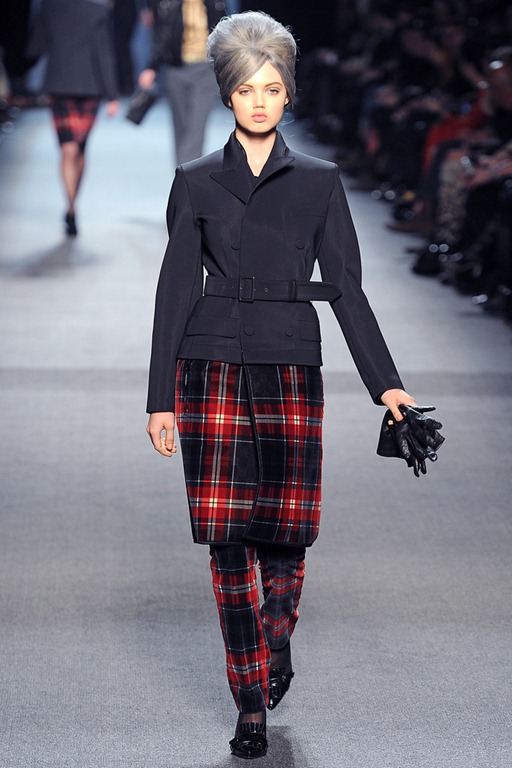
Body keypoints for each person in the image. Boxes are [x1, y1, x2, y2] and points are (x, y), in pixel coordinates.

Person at [146, 11, 426, 760]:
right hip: (209, 366)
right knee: (226, 540)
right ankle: (249, 704)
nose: (260, 102)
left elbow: (348, 290)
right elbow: (174, 291)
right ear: (226, 95)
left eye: (272, 88)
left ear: (289, 93)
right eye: (246, 90)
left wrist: (388, 387)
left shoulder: (321, 183)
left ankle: (276, 638)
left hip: (290, 363)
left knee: (288, 535)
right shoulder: (195, 182)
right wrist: (159, 397)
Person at [26, 0, 119, 236]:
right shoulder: (97, 11)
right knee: (80, 148)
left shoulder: (49, 8)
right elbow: (103, 52)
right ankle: (72, 203)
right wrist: (112, 95)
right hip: (90, 88)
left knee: (68, 149)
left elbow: (35, 47)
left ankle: (70, 206)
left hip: (59, 85)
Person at [138, 0, 226, 165]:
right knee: (181, 127)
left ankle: (188, 175)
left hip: (205, 71)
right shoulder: (167, 4)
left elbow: (225, 36)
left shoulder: (215, 3)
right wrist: (152, 67)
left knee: (196, 128)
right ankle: (183, 173)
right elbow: (162, 37)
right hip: (176, 70)